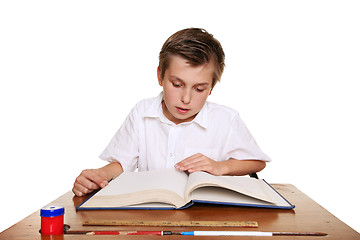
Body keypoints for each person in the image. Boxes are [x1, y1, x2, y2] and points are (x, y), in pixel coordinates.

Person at [72, 28, 271, 197]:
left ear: (211, 87)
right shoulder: (142, 112)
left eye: (199, 89)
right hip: (153, 215)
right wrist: (99, 175)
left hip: (205, 216)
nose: (186, 98)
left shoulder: (226, 119)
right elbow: (122, 163)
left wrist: (220, 167)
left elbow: (256, 161)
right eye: (177, 84)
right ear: (160, 76)